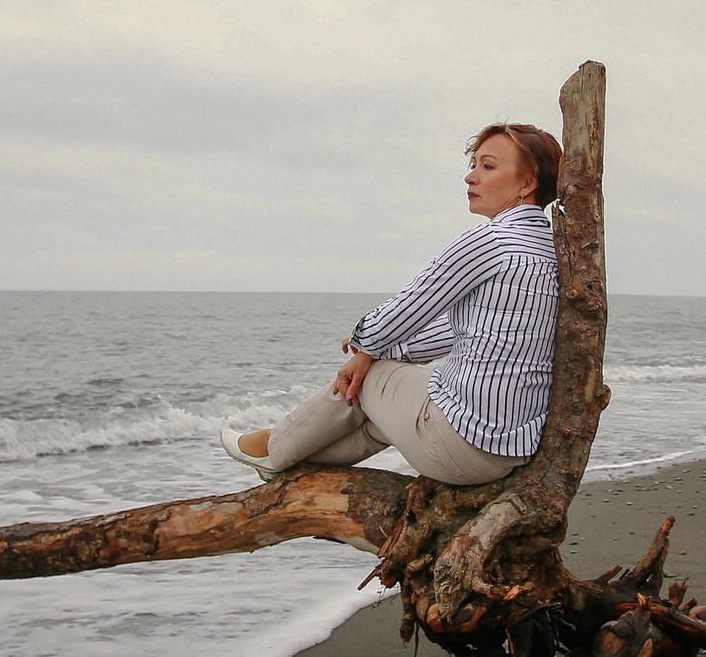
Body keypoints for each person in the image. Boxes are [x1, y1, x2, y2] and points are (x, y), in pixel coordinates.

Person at [219, 122, 562, 486]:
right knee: (381, 411)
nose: (470, 177)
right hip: (508, 449)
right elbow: (467, 330)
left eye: (487, 166)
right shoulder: (547, 250)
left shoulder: (492, 241)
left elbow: (412, 305)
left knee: (370, 378)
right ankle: (294, 464)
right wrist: (388, 349)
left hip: (462, 445)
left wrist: (363, 343)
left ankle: (273, 447)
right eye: (474, 164)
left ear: (528, 184)